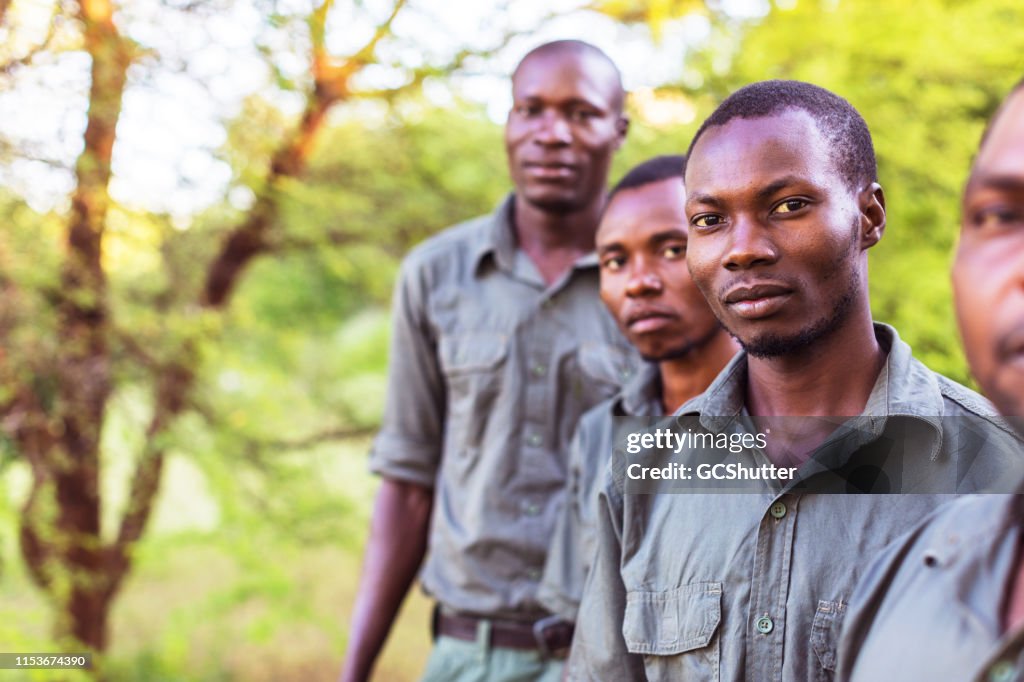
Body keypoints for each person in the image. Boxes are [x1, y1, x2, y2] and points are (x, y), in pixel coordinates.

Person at [567, 80, 1024, 681]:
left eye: (788, 206)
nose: (742, 250)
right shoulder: (654, 469)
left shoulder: (992, 464)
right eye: (709, 220)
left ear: (869, 216)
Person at [339, 40, 634, 682]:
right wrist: (354, 669)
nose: (551, 134)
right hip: (468, 657)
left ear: (619, 128)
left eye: (580, 113)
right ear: (508, 123)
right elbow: (408, 482)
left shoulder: (660, 283)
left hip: (617, 656)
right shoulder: (436, 274)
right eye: (530, 110)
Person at [836, 78, 1024, 682]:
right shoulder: (912, 575)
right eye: (1002, 215)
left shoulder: (975, 451)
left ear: (870, 219)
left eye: (791, 205)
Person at [537, 155, 739, 623]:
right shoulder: (600, 435)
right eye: (615, 261)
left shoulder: (793, 423)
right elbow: (582, 631)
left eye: (670, 249)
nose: (638, 284)